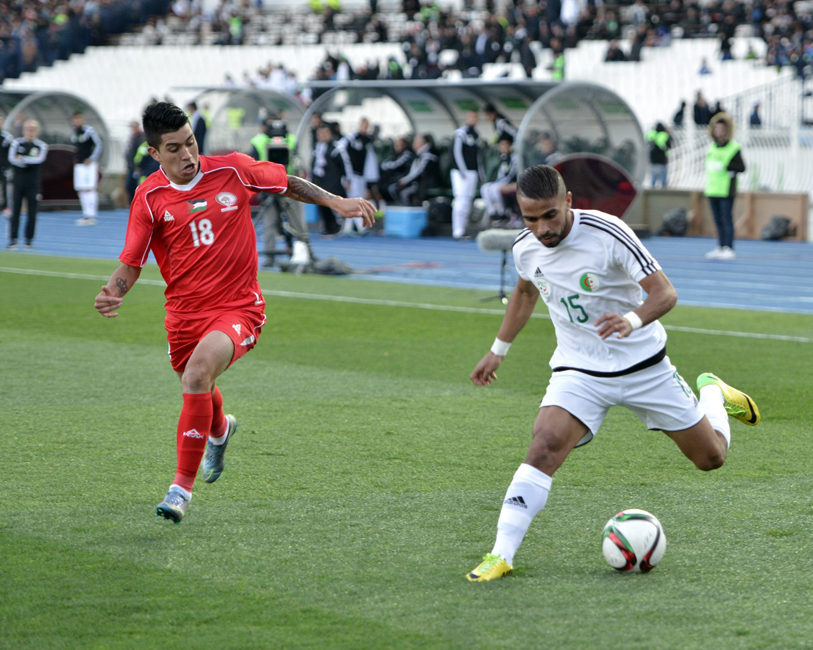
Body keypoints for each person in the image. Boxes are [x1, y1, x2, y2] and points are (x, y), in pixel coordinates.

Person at [466, 165, 761, 582]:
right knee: (544, 444)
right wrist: (498, 351)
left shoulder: (610, 233)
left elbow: (665, 293)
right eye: (530, 219)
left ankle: (711, 392)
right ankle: (501, 553)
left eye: (550, 215)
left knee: (710, 459)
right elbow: (526, 292)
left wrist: (632, 320)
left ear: (568, 202)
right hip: (579, 370)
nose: (542, 228)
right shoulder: (524, 248)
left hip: (644, 368)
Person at [93, 102, 376, 524]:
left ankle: (179, 490)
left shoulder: (233, 170)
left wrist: (337, 202)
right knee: (198, 386)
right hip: (184, 316)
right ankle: (221, 429)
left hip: (238, 307)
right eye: (174, 148)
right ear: (154, 154)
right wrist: (115, 291)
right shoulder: (149, 197)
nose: (187, 154)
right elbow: (133, 261)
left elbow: (286, 183)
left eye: (190, 142)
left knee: (196, 374)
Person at [704, 112, 745, 260]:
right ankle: (720, 246)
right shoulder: (711, 147)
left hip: (726, 189)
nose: (718, 132)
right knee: (717, 220)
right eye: (716, 129)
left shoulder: (734, 147)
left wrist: (726, 166)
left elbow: (741, 167)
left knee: (726, 219)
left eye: (721, 129)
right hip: (712, 188)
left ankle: (729, 247)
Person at [6, 120, 48, 250]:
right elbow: (12, 159)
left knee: (32, 212)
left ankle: (28, 240)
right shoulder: (17, 143)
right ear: (24, 131)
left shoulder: (41, 146)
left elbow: (39, 160)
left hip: (33, 183)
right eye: (28, 129)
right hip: (18, 182)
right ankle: (13, 240)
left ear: (37, 131)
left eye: (33, 129)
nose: (30, 132)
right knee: (16, 211)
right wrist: (27, 161)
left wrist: (23, 159)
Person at [337, 117, 379, 235]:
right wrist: (346, 175)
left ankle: (349, 226)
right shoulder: (352, 138)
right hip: (352, 175)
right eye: (363, 125)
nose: (365, 128)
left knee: (358, 200)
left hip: (362, 176)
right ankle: (360, 227)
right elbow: (340, 147)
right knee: (354, 200)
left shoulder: (368, 140)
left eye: (367, 126)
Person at [451, 109, 484, 240]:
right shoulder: (461, 132)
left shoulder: (476, 134)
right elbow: (457, 152)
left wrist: (480, 173)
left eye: (475, 117)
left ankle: (463, 228)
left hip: (473, 172)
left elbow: (478, 156)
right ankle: (457, 230)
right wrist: (462, 170)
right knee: (461, 199)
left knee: (468, 200)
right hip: (461, 173)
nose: (473, 119)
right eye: (471, 117)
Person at [311, 123, 346, 236]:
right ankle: (327, 226)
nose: (322, 135)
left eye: (325, 133)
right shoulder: (316, 147)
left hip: (332, 181)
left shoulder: (337, 148)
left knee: (332, 203)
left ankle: (336, 225)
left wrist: (347, 179)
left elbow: (345, 164)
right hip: (319, 181)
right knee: (322, 205)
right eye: (320, 133)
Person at [71, 111, 104, 226]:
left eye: (79, 119)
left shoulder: (89, 131)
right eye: (75, 119)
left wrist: (91, 158)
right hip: (79, 164)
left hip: (88, 164)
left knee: (89, 188)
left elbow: (99, 144)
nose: (77, 121)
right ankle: (86, 214)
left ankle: (92, 215)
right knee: (80, 189)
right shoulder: (75, 132)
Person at [393, 133, 442, 206]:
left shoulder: (428, 155)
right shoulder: (419, 155)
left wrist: (405, 181)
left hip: (427, 185)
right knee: (394, 188)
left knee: (404, 193)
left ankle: (411, 215)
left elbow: (418, 172)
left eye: (415, 141)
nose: (413, 144)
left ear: (422, 143)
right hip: (420, 184)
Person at [480, 134, 518, 223]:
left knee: (495, 189)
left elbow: (512, 173)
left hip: (509, 182)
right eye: (502, 145)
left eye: (506, 144)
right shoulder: (499, 158)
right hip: (499, 181)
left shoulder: (514, 158)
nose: (504, 147)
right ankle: (492, 212)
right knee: (485, 188)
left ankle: (502, 212)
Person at [378, 136, 415, 204]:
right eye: (397, 144)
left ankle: (399, 205)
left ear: (405, 145)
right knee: (381, 186)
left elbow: (396, 165)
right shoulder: (394, 155)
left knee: (392, 188)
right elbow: (383, 165)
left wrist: (387, 166)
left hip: (404, 179)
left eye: (401, 144)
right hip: (395, 179)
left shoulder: (407, 154)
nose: (398, 146)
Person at [645, 122, 672, 188]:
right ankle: (663, 195)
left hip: (653, 161)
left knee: (653, 181)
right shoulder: (664, 135)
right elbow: (669, 146)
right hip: (662, 161)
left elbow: (646, 141)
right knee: (663, 182)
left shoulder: (651, 134)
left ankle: (652, 193)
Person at [124, 120, 144, 204]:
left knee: (134, 185)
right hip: (131, 166)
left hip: (137, 167)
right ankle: (132, 203)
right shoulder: (132, 136)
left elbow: (139, 152)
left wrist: (138, 165)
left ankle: (137, 203)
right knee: (129, 186)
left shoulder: (140, 136)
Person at [0, 116, 13, 217]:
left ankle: (6, 207)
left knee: (5, 187)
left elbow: (10, 153)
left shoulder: (7, 137)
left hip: (3, 167)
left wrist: (8, 166)